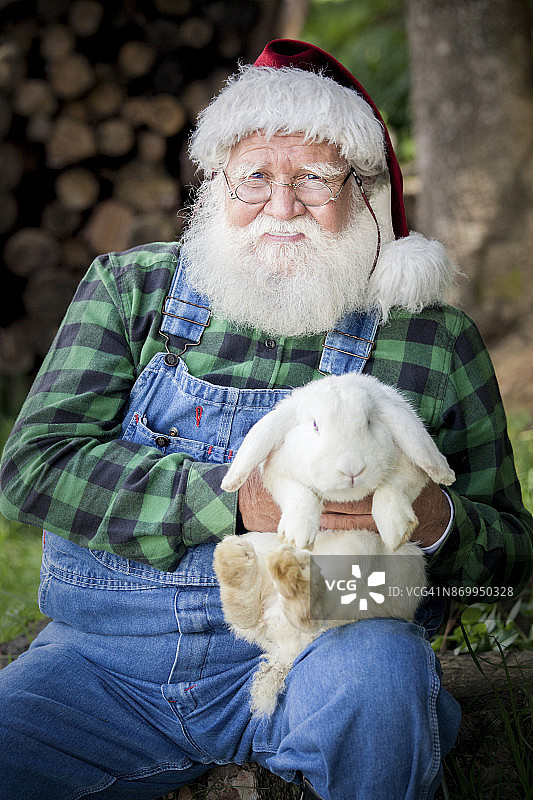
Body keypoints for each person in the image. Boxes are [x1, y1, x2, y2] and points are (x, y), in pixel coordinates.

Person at [0, 38, 531, 800]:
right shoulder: (131, 288)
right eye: (254, 176)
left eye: (313, 178)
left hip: (333, 641)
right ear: (218, 180)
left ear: (364, 188)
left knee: (380, 682)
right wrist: (232, 500)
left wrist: (435, 520)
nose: (281, 208)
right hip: (107, 662)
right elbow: (32, 469)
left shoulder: (430, 338)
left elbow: (512, 556)